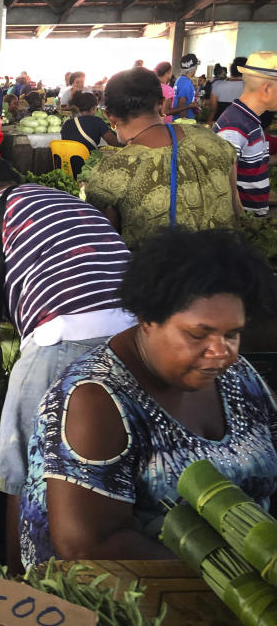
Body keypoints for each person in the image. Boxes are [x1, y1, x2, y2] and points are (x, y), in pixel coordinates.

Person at [19, 228, 277, 568]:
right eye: (198, 334)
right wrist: (237, 574)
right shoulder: (93, 399)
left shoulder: (238, 376)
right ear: (147, 320)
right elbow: (88, 548)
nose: (221, 352)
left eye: (232, 334)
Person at [0, 154, 136, 572]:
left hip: (63, 336)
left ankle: (21, 586)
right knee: (111, 457)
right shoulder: (69, 200)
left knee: (19, 464)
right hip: (136, 331)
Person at [84, 67, 239, 249]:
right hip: (227, 266)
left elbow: (106, 243)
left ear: (109, 116)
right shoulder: (212, 141)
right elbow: (236, 207)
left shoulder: (113, 171)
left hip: (156, 274)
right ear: (161, 104)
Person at [214, 52, 277, 217]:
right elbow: (224, 184)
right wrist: (243, 225)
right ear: (267, 88)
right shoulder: (235, 127)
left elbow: (249, 164)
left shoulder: (250, 121)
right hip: (243, 224)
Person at [208, 57, 247, 123]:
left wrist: (208, 122)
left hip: (220, 124)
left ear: (231, 70)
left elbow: (213, 110)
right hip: (242, 126)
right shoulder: (250, 88)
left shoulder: (217, 85)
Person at [172, 53, 200, 120]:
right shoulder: (185, 82)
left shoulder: (181, 79)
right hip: (183, 121)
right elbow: (181, 105)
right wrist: (184, 124)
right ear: (194, 68)